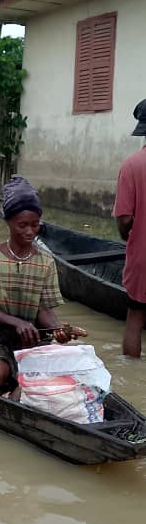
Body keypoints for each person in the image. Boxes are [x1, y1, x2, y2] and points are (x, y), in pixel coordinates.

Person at [0, 175, 81, 393]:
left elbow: (44, 310)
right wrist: (17, 322)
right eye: (22, 225)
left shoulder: (45, 261)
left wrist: (57, 329)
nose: (30, 231)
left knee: (68, 373)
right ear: (8, 222)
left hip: (31, 339)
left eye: (35, 225)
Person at [113, 99, 146, 358]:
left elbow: (124, 220)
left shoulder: (132, 166)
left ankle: (132, 372)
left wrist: (127, 235)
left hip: (142, 259)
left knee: (135, 317)